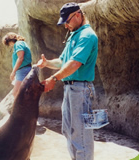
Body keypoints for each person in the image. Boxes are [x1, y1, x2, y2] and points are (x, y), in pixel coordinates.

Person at [37, 2, 98, 160]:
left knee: (81, 135)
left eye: (67, 21)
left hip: (81, 90)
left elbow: (75, 64)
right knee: (68, 131)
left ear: (78, 15)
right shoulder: (74, 35)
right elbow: (63, 61)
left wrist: (54, 78)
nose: (66, 25)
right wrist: (47, 64)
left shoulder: (87, 35)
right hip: (70, 89)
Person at [2, 32, 32, 97]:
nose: (9, 45)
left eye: (8, 43)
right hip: (22, 71)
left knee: (16, 93)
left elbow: (20, 58)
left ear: (10, 40)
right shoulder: (20, 43)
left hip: (23, 71)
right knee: (22, 93)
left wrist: (13, 72)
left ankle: (23, 107)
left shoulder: (18, 44)